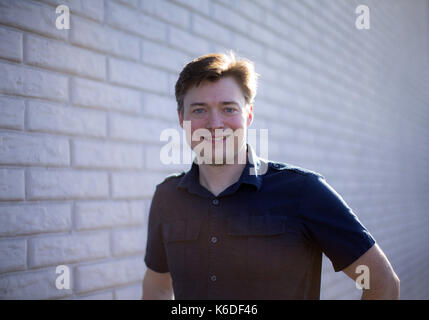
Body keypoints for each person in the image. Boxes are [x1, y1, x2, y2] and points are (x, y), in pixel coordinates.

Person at [142, 52, 400, 300]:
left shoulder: (303, 191)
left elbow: (382, 282)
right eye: (199, 110)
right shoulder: (167, 197)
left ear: (249, 115)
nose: (215, 123)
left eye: (229, 109)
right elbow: (159, 289)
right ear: (181, 118)